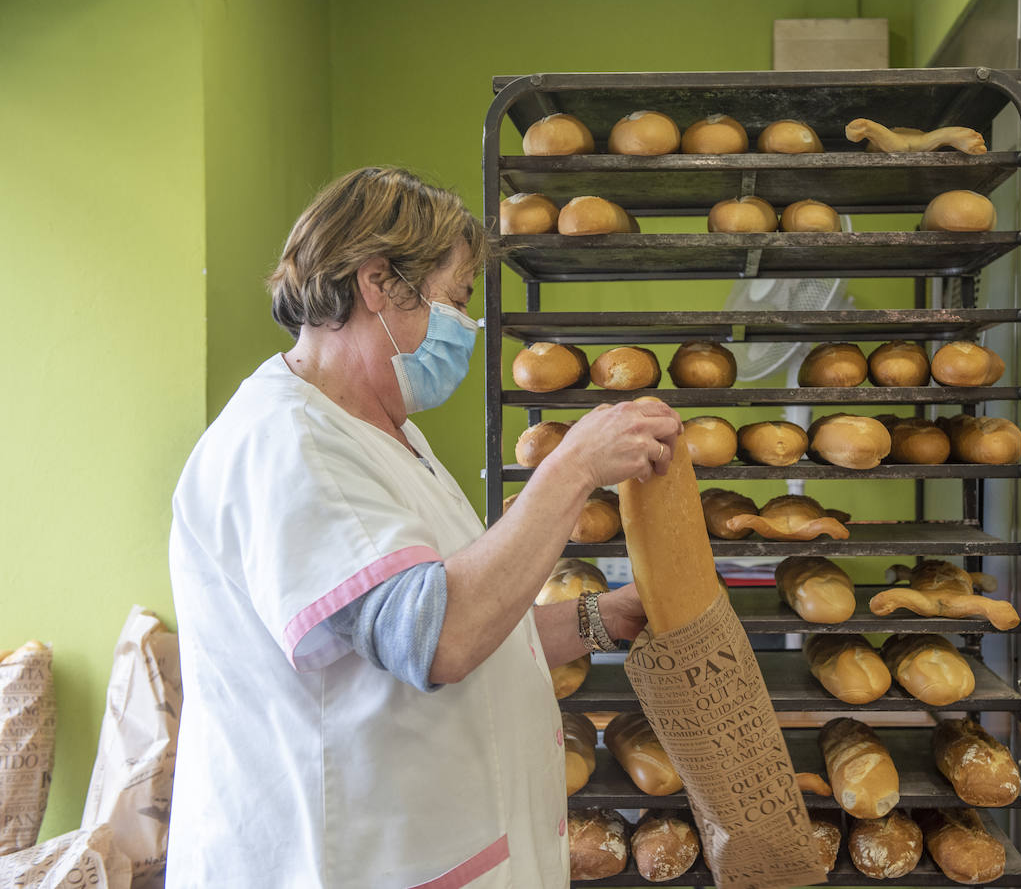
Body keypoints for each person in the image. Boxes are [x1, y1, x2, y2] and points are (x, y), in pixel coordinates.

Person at [166, 166, 682, 888]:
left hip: (437, 847)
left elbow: (475, 611)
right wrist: (570, 471)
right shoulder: (289, 442)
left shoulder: (385, 435)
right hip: (349, 860)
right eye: (457, 298)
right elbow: (437, 636)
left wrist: (602, 617)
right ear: (378, 282)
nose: (466, 328)